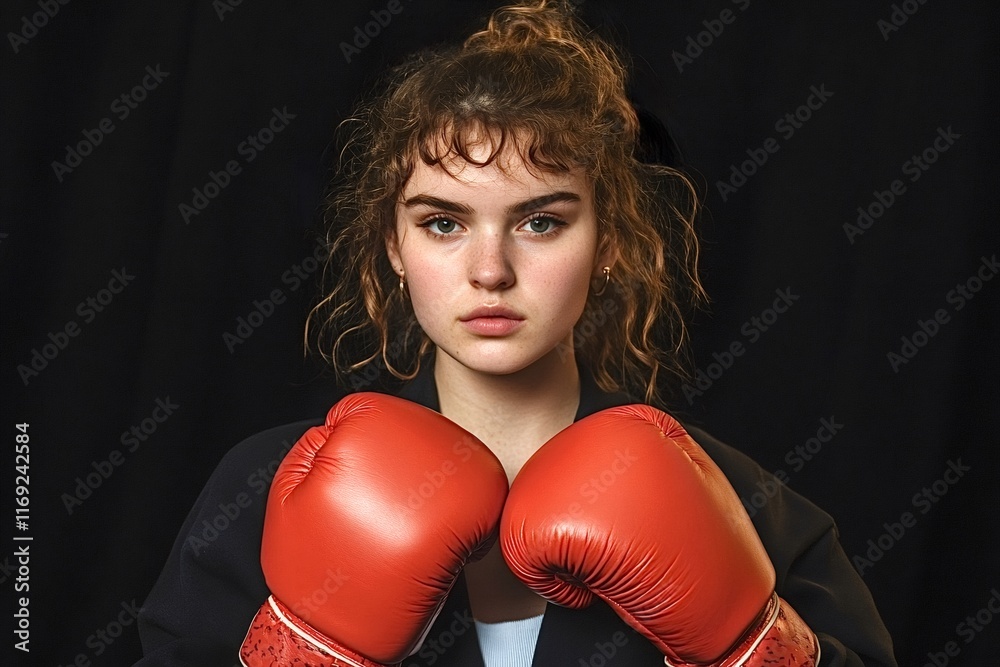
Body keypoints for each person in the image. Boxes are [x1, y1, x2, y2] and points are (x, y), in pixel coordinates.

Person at [135, 1, 897, 665]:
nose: (491, 269)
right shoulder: (262, 491)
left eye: (540, 221)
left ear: (608, 242)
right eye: (443, 222)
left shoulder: (742, 505)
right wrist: (303, 653)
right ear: (394, 247)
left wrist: (746, 648)